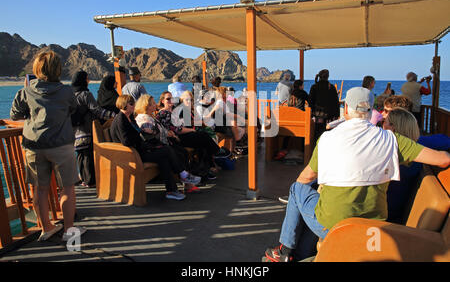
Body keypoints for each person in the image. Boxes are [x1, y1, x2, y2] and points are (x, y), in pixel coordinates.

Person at [263, 87, 450, 262]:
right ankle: (300, 255)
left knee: (298, 189)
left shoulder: (327, 138)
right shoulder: (393, 140)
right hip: (372, 229)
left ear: (345, 109)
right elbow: (443, 159)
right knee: (319, 203)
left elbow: (306, 177)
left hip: (334, 227)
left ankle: (285, 251)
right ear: (370, 112)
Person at [10, 51, 86, 242]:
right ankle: (69, 230)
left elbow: (14, 115)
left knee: (40, 189)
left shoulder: (26, 92)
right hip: (61, 145)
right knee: (67, 188)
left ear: (37, 68)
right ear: (58, 70)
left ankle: (46, 228)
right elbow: (73, 109)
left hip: (34, 146)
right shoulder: (66, 92)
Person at [110, 95, 199, 201]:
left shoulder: (130, 117)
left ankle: (172, 190)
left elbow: (137, 133)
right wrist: (140, 136)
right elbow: (126, 141)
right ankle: (183, 175)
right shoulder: (121, 119)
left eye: (133, 103)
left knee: (164, 157)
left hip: (139, 150)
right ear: (124, 105)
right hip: (130, 154)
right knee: (166, 150)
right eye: (131, 104)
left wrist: (144, 132)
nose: (134, 106)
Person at [134, 94, 202, 193]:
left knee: (182, 152)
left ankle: (186, 182)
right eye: (153, 103)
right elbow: (147, 130)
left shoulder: (151, 116)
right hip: (154, 148)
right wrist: (163, 133)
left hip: (161, 144)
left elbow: (159, 129)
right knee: (175, 153)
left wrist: (168, 133)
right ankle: (185, 180)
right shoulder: (144, 118)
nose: (155, 105)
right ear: (146, 106)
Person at [157, 91, 227, 180]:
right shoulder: (166, 113)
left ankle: (204, 170)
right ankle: (215, 155)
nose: (171, 101)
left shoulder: (175, 109)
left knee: (203, 142)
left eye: (172, 98)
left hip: (182, 134)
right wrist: (191, 129)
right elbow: (175, 129)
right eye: (168, 99)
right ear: (162, 101)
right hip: (176, 138)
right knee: (203, 137)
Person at [71, 70, 116, 187]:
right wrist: (113, 115)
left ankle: (84, 180)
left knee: (80, 155)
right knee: (88, 155)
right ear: (83, 80)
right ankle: (91, 181)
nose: (89, 81)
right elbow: (97, 110)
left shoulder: (70, 95)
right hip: (86, 129)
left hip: (73, 132)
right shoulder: (85, 95)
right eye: (87, 79)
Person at [308, 69, 340, 143]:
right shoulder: (331, 87)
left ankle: (317, 150)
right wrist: (337, 115)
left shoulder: (314, 86)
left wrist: (312, 113)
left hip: (318, 115)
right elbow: (336, 102)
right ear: (328, 76)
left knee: (318, 134)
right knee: (329, 135)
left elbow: (310, 101)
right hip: (330, 116)